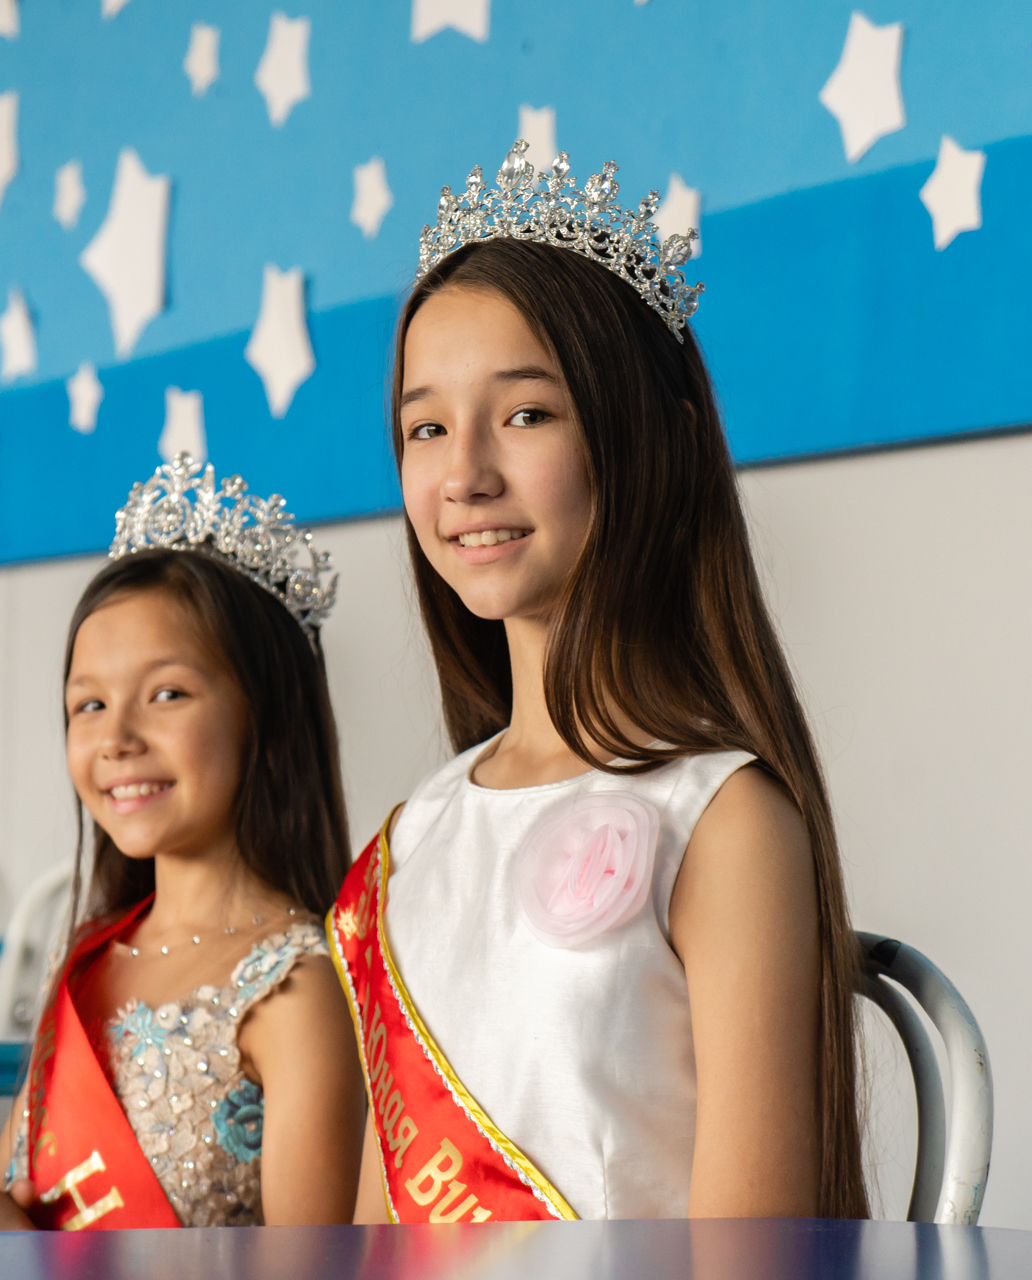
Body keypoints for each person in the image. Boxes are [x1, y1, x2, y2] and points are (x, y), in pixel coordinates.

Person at [330, 142, 870, 1225]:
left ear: (654, 442)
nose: (464, 472)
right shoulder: (411, 839)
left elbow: (749, 1255)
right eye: (426, 428)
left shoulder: (722, 821)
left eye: (525, 414)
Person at [0, 455, 365, 1233]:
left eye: (166, 694)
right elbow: (11, 1202)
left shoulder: (297, 995)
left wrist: (22, 1257)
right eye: (89, 705)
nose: (117, 738)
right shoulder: (90, 956)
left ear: (268, 721)